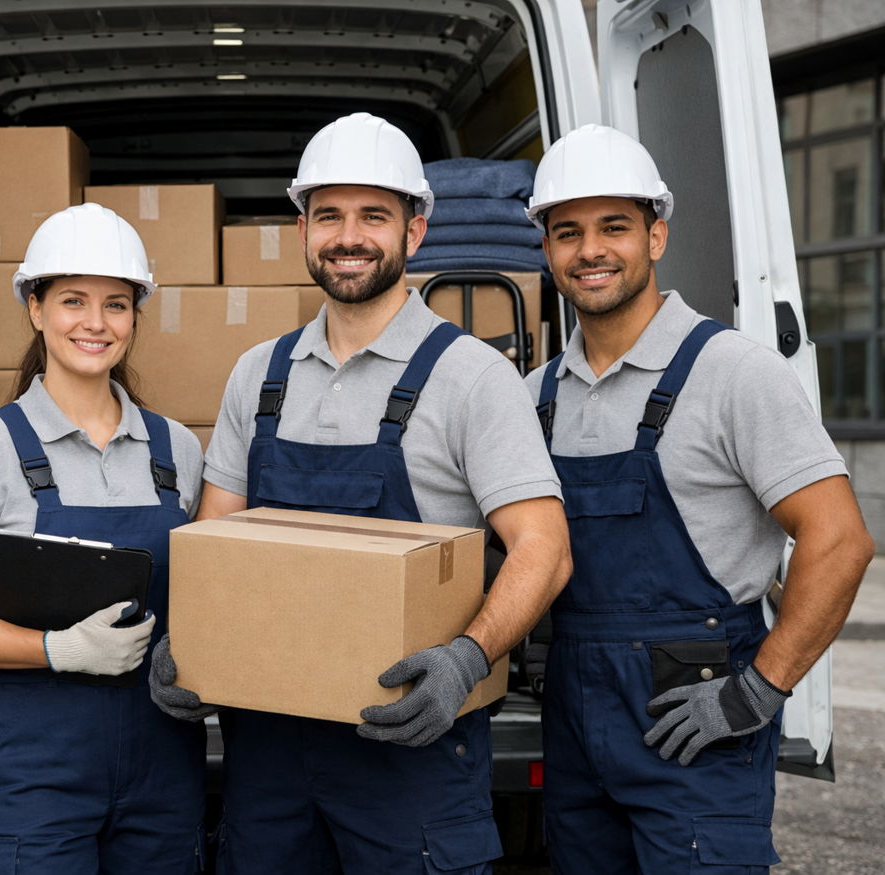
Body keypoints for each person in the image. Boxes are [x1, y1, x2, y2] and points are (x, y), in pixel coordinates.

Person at [149, 112, 573, 873]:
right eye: (329, 215)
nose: (349, 236)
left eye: (373, 215)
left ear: (414, 232)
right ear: (303, 229)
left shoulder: (472, 376)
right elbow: (214, 540)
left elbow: (545, 548)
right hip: (270, 755)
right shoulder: (260, 375)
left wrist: (465, 661)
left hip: (412, 750)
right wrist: (190, 643)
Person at [520, 124, 874, 874]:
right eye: (567, 232)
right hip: (576, 719)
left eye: (614, 227)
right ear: (546, 249)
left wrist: (760, 690)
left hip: (700, 720)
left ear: (656, 236)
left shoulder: (734, 373)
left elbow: (839, 540)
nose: (590, 250)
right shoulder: (534, 398)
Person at [0, 203, 208, 874]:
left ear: (136, 316)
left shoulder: (177, 451)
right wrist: (57, 648)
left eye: (116, 304)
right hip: (30, 772)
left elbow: (208, 600)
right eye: (73, 300)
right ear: (35, 308)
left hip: (160, 762)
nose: (96, 322)